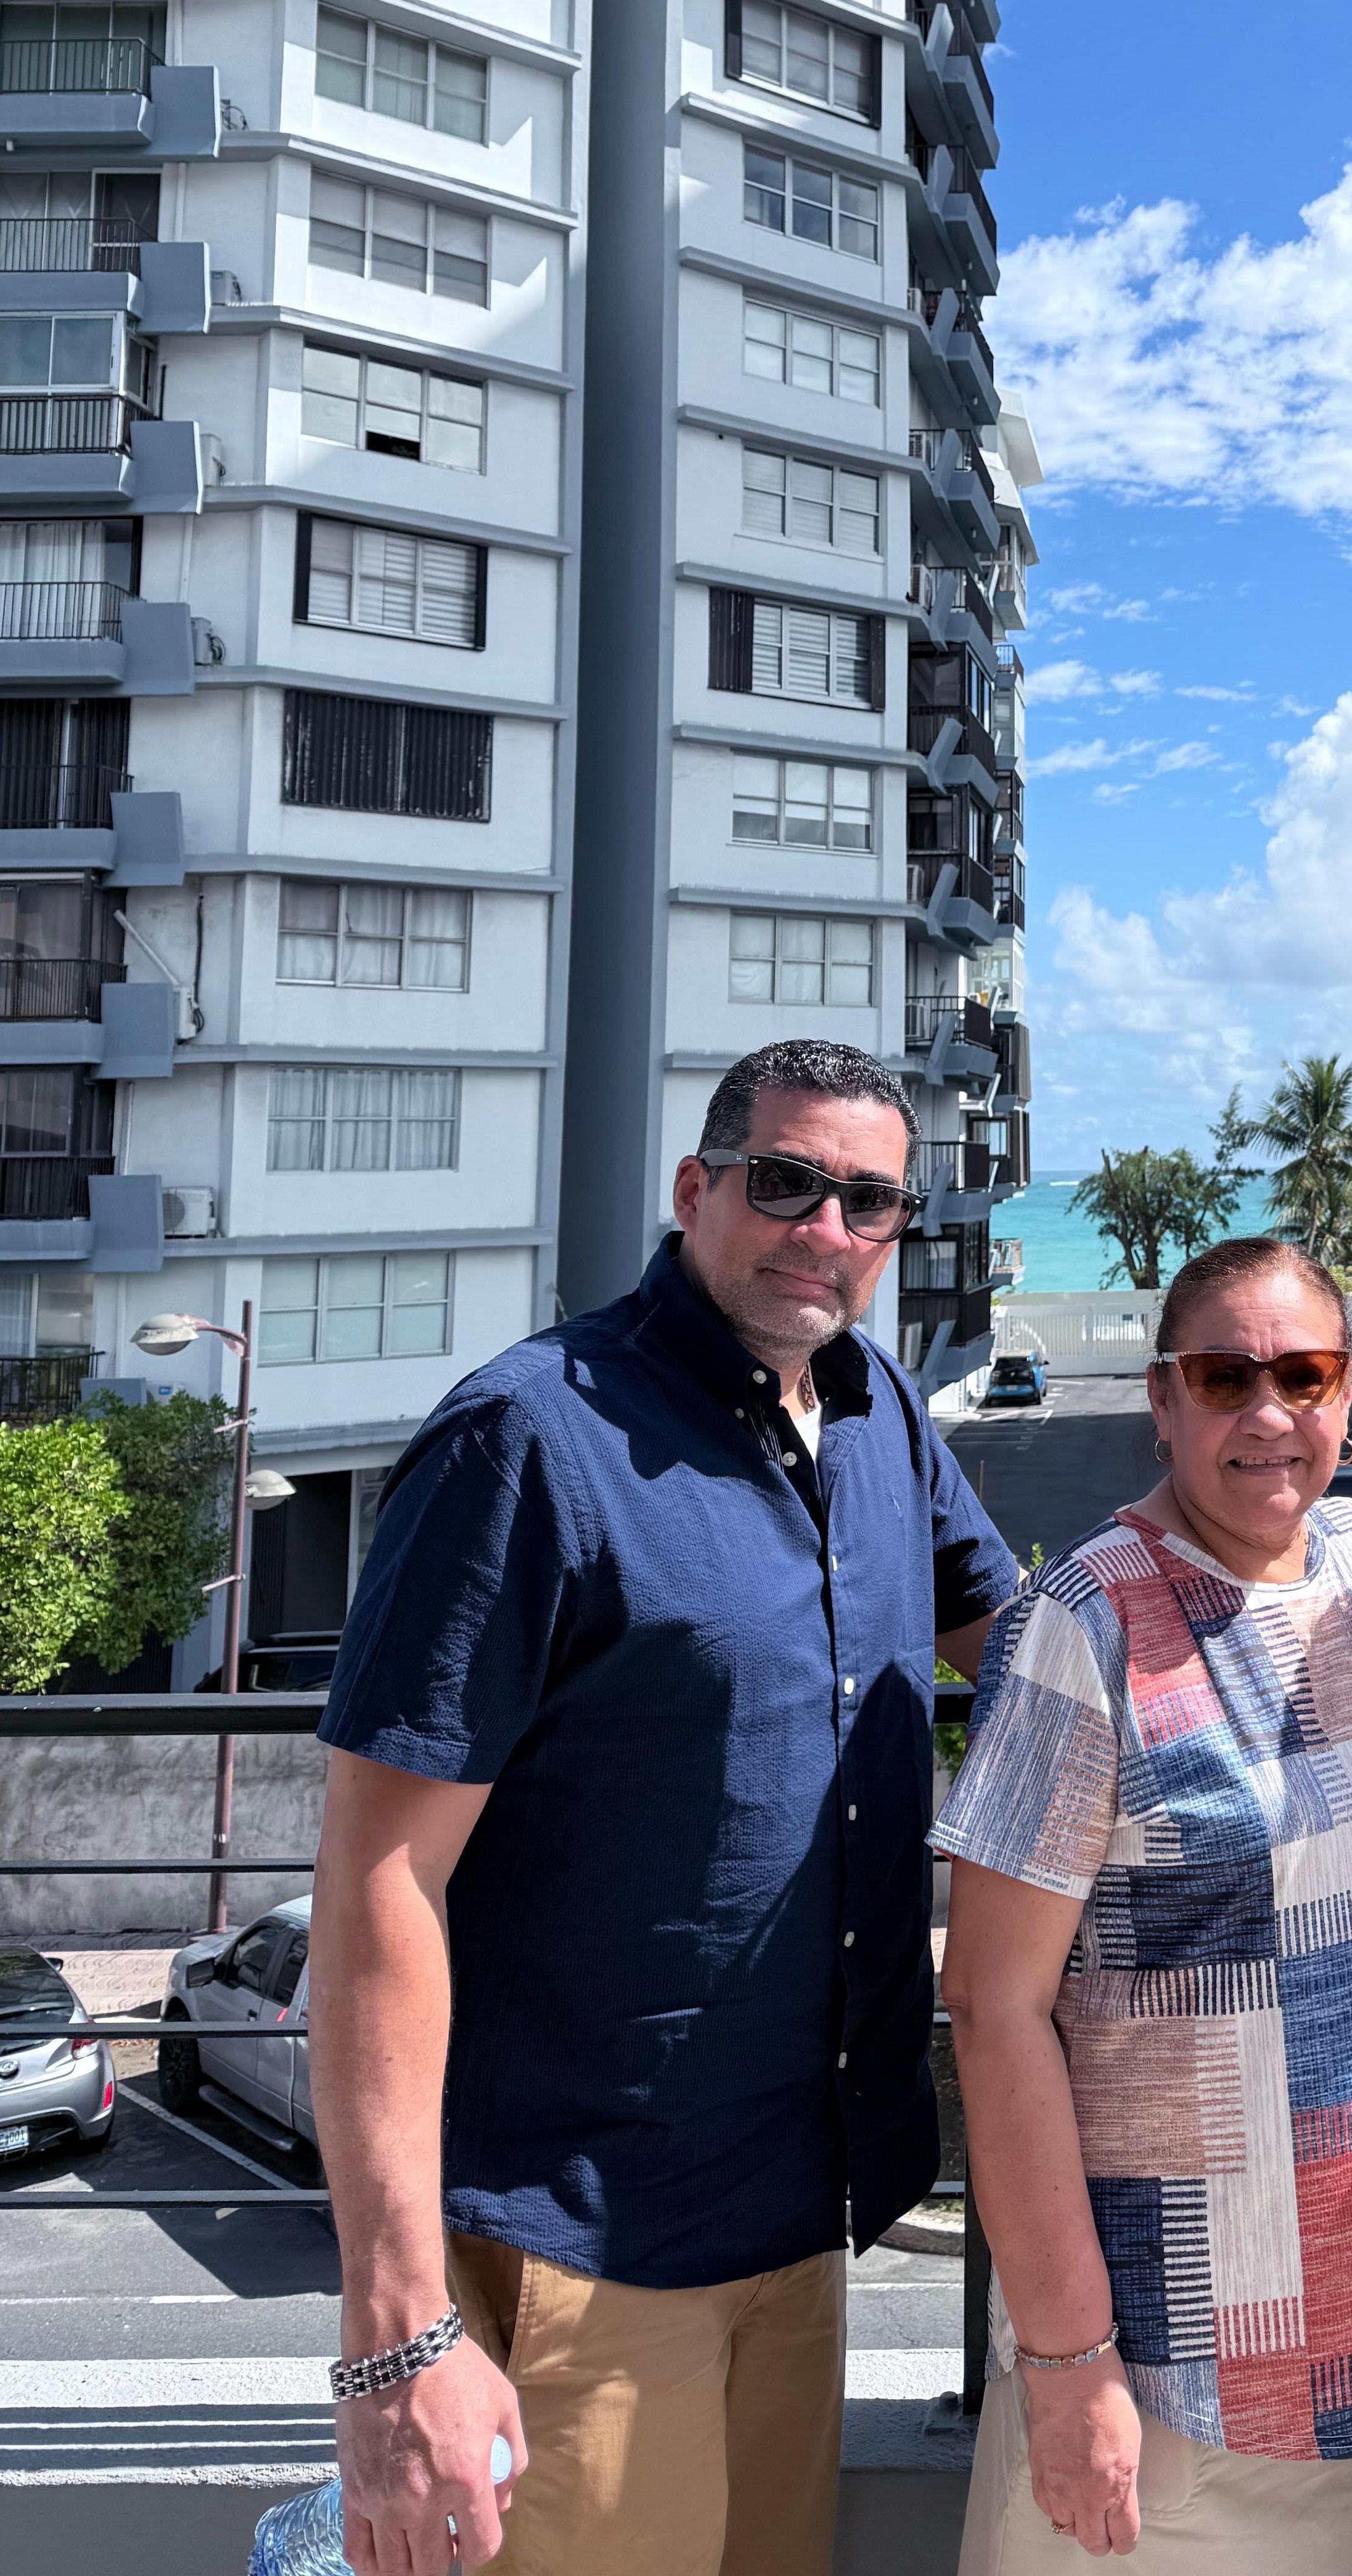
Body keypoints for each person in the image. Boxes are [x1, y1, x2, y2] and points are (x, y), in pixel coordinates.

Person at [308, 1040, 1021, 2576]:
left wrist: (1336, 1617)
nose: (825, 1230)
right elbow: (377, 1879)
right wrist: (397, 2335)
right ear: (697, 1188)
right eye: (787, 1183)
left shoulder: (878, 1411)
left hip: (797, 2218)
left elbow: (1036, 1650)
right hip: (585, 2247)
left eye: (870, 1202)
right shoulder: (529, 1437)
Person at [935, 1237, 1352, 2575]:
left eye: (1306, 1374)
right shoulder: (1085, 1623)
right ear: (1163, 1399)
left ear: (1347, 1392)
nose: (1269, 1412)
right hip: (1159, 2367)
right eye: (1224, 1377)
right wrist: (1068, 2365)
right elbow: (993, 2004)